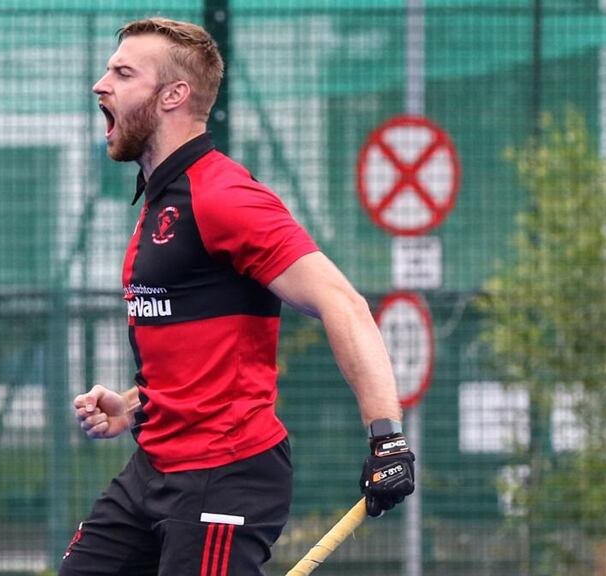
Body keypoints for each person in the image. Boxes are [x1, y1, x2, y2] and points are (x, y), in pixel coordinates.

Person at [61, 17, 415, 576]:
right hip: (155, 467)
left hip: (226, 475)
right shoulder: (162, 199)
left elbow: (342, 303)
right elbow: (208, 346)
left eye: (123, 73)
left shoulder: (224, 196)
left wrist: (387, 440)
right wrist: (131, 405)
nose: (100, 84)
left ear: (173, 95)